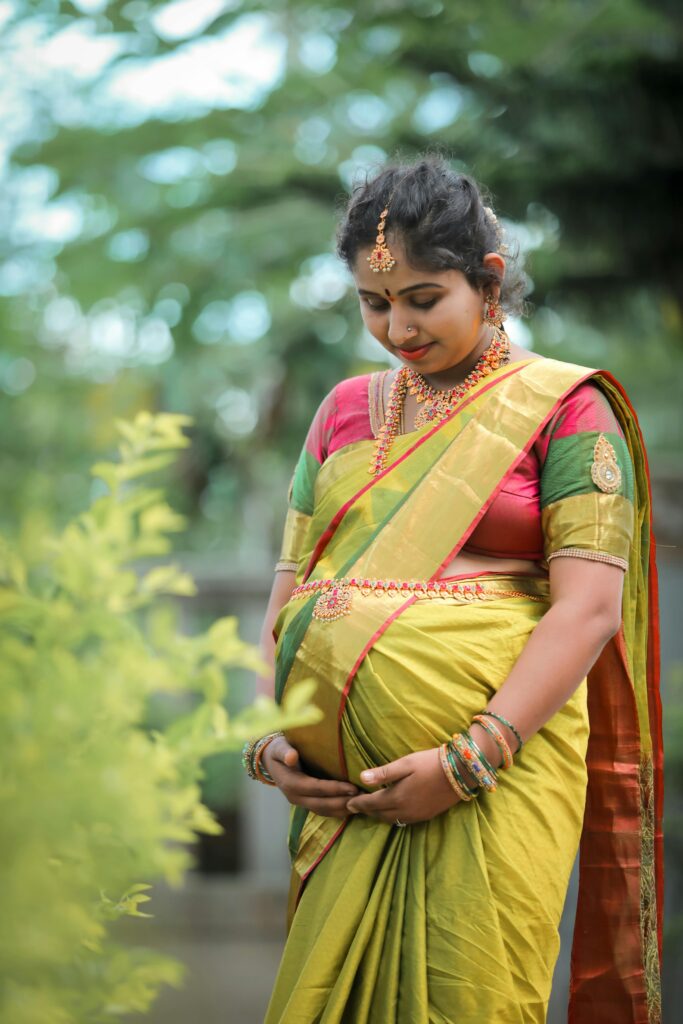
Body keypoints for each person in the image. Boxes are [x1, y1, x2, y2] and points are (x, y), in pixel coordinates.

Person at [242, 156, 663, 1024]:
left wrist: (469, 760)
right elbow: (292, 595)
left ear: (489, 280)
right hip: (343, 800)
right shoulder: (341, 413)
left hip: (498, 776)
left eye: (422, 298)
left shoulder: (565, 410)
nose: (396, 327)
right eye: (373, 302)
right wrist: (271, 735)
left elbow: (585, 611)